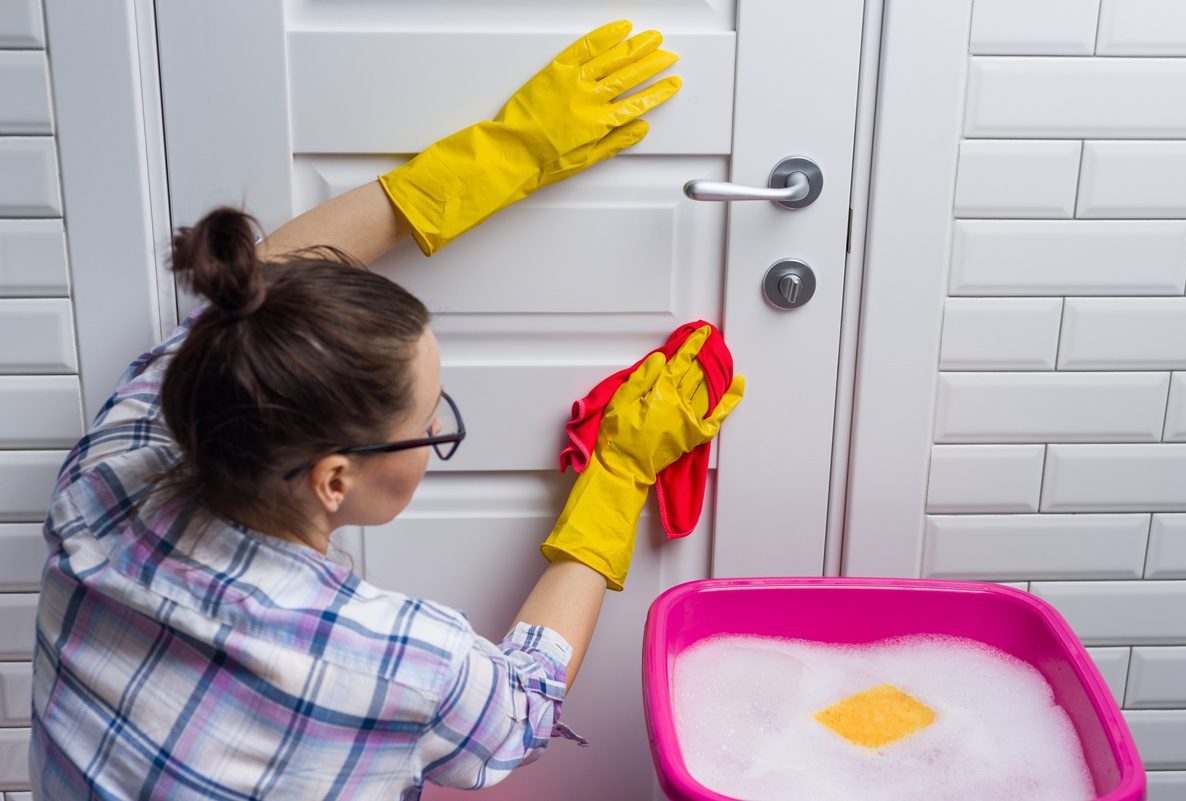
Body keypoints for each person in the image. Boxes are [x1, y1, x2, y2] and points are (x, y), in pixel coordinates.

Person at [28, 21, 744, 800]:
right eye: (432, 423)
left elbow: (262, 291)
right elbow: (521, 709)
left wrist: (508, 151)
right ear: (334, 478)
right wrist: (618, 473)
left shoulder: (109, 475)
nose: (435, 432)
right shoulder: (394, 656)